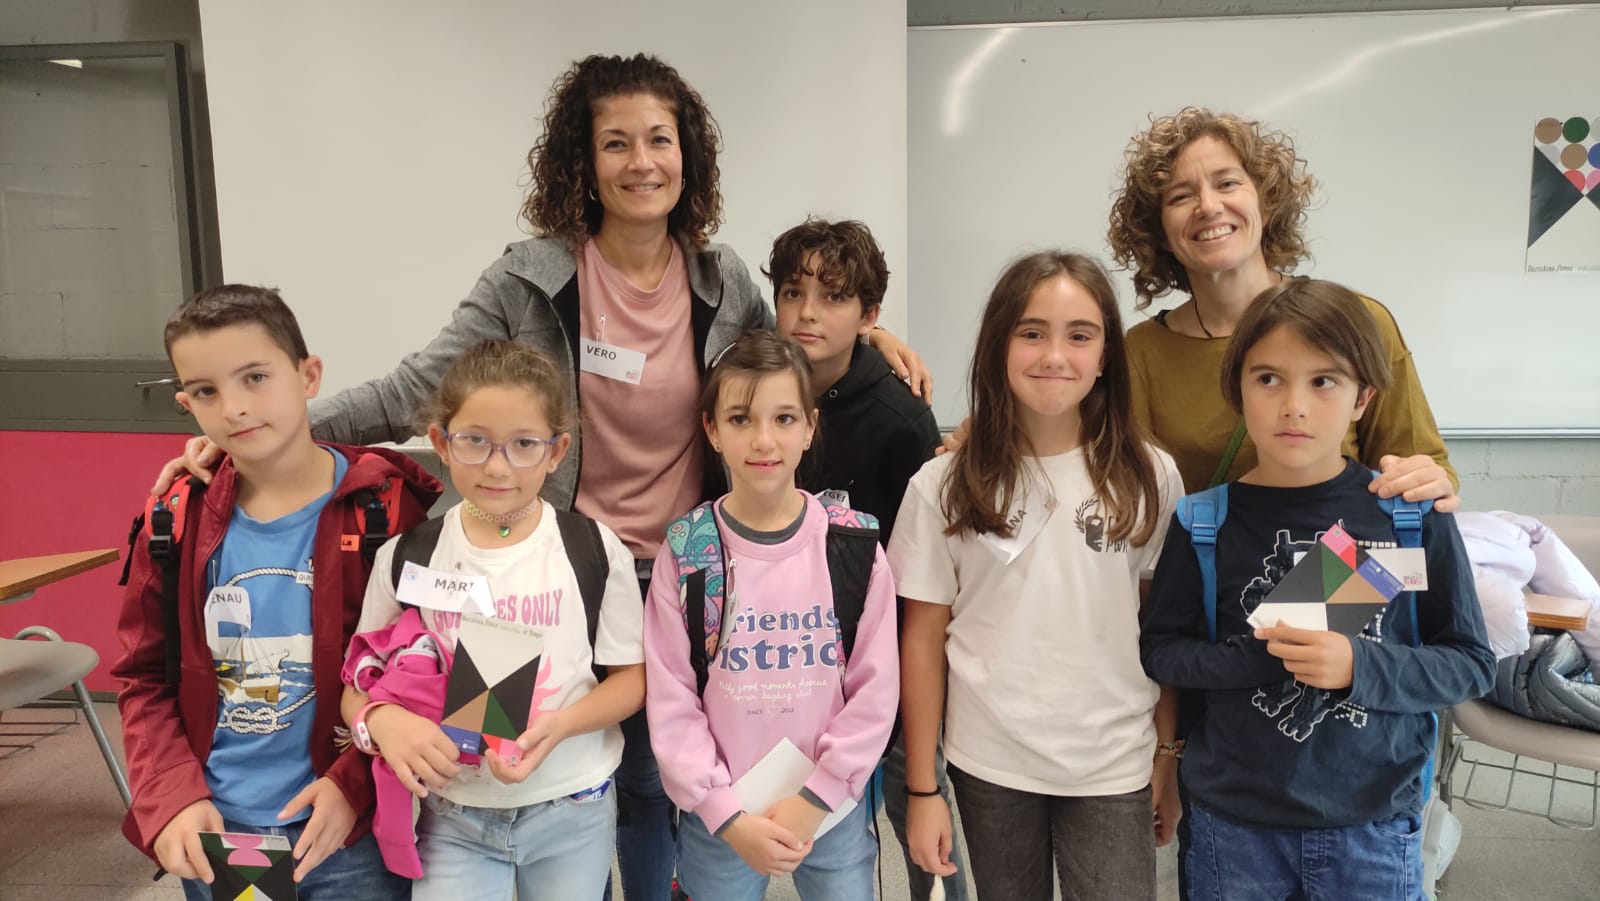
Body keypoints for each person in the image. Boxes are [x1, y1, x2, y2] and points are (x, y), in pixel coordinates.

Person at [149, 54, 929, 901]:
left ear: (688, 156)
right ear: (582, 161)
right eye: (616, 142)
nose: (641, 161)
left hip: (685, 573)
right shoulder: (529, 278)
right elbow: (413, 391)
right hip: (560, 571)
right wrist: (261, 435)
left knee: (670, 782)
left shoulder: (721, 278)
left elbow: (780, 363)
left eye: (660, 140)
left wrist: (869, 344)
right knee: (551, 772)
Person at [1139, 278, 1495, 900]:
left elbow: (1470, 664)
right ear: (1237, 390)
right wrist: (1257, 659)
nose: (1294, 406)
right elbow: (1162, 650)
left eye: (1324, 381)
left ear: (1364, 398)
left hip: (1375, 824)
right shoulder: (1202, 523)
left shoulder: (1408, 519)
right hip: (1232, 824)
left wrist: (1359, 665)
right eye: (1268, 379)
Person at [114, 285, 439, 900]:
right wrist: (172, 794)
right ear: (185, 403)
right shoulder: (173, 519)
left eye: (255, 378)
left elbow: (421, 671)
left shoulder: (387, 511)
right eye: (206, 391)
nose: (234, 408)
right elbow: (143, 677)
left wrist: (353, 784)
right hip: (218, 827)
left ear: (308, 376)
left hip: (348, 830)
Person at [891, 252, 1185, 900]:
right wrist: (923, 789)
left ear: (1105, 355)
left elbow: (1159, 628)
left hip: (1113, 760)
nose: (1054, 355)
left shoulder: (1150, 476)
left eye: (1079, 335)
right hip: (989, 761)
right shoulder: (942, 484)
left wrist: (1167, 755)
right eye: (1031, 332)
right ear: (999, 345)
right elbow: (921, 639)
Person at [341, 339, 645, 899]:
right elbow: (356, 684)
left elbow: (630, 679)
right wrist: (381, 723)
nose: (498, 466)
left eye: (524, 444)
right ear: (441, 442)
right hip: (452, 814)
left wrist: (560, 727)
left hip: (571, 806)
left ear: (556, 451)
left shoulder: (593, 550)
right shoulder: (409, 557)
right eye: (475, 441)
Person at [643, 330, 899, 901]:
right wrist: (725, 813)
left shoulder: (852, 547)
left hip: (831, 810)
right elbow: (672, 699)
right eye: (740, 419)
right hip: (723, 819)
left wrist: (818, 797)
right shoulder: (688, 553)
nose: (763, 440)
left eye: (784, 419)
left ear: (809, 427)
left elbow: (876, 692)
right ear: (712, 429)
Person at [1106, 106, 1456, 505]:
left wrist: (1426, 481)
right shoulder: (1141, 353)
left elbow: (1424, 467)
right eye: (1181, 196)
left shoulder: (1359, 321)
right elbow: (1137, 498)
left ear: (1266, 202)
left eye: (1227, 183)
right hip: (1207, 547)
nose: (1208, 206)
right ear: (1159, 231)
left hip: (1343, 547)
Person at [764, 217, 961, 900]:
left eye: (833, 297)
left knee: (918, 800)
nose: (807, 313)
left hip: (884, 654)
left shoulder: (901, 417)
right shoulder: (755, 393)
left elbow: (924, 559)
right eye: (793, 293)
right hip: (783, 651)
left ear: (869, 315)